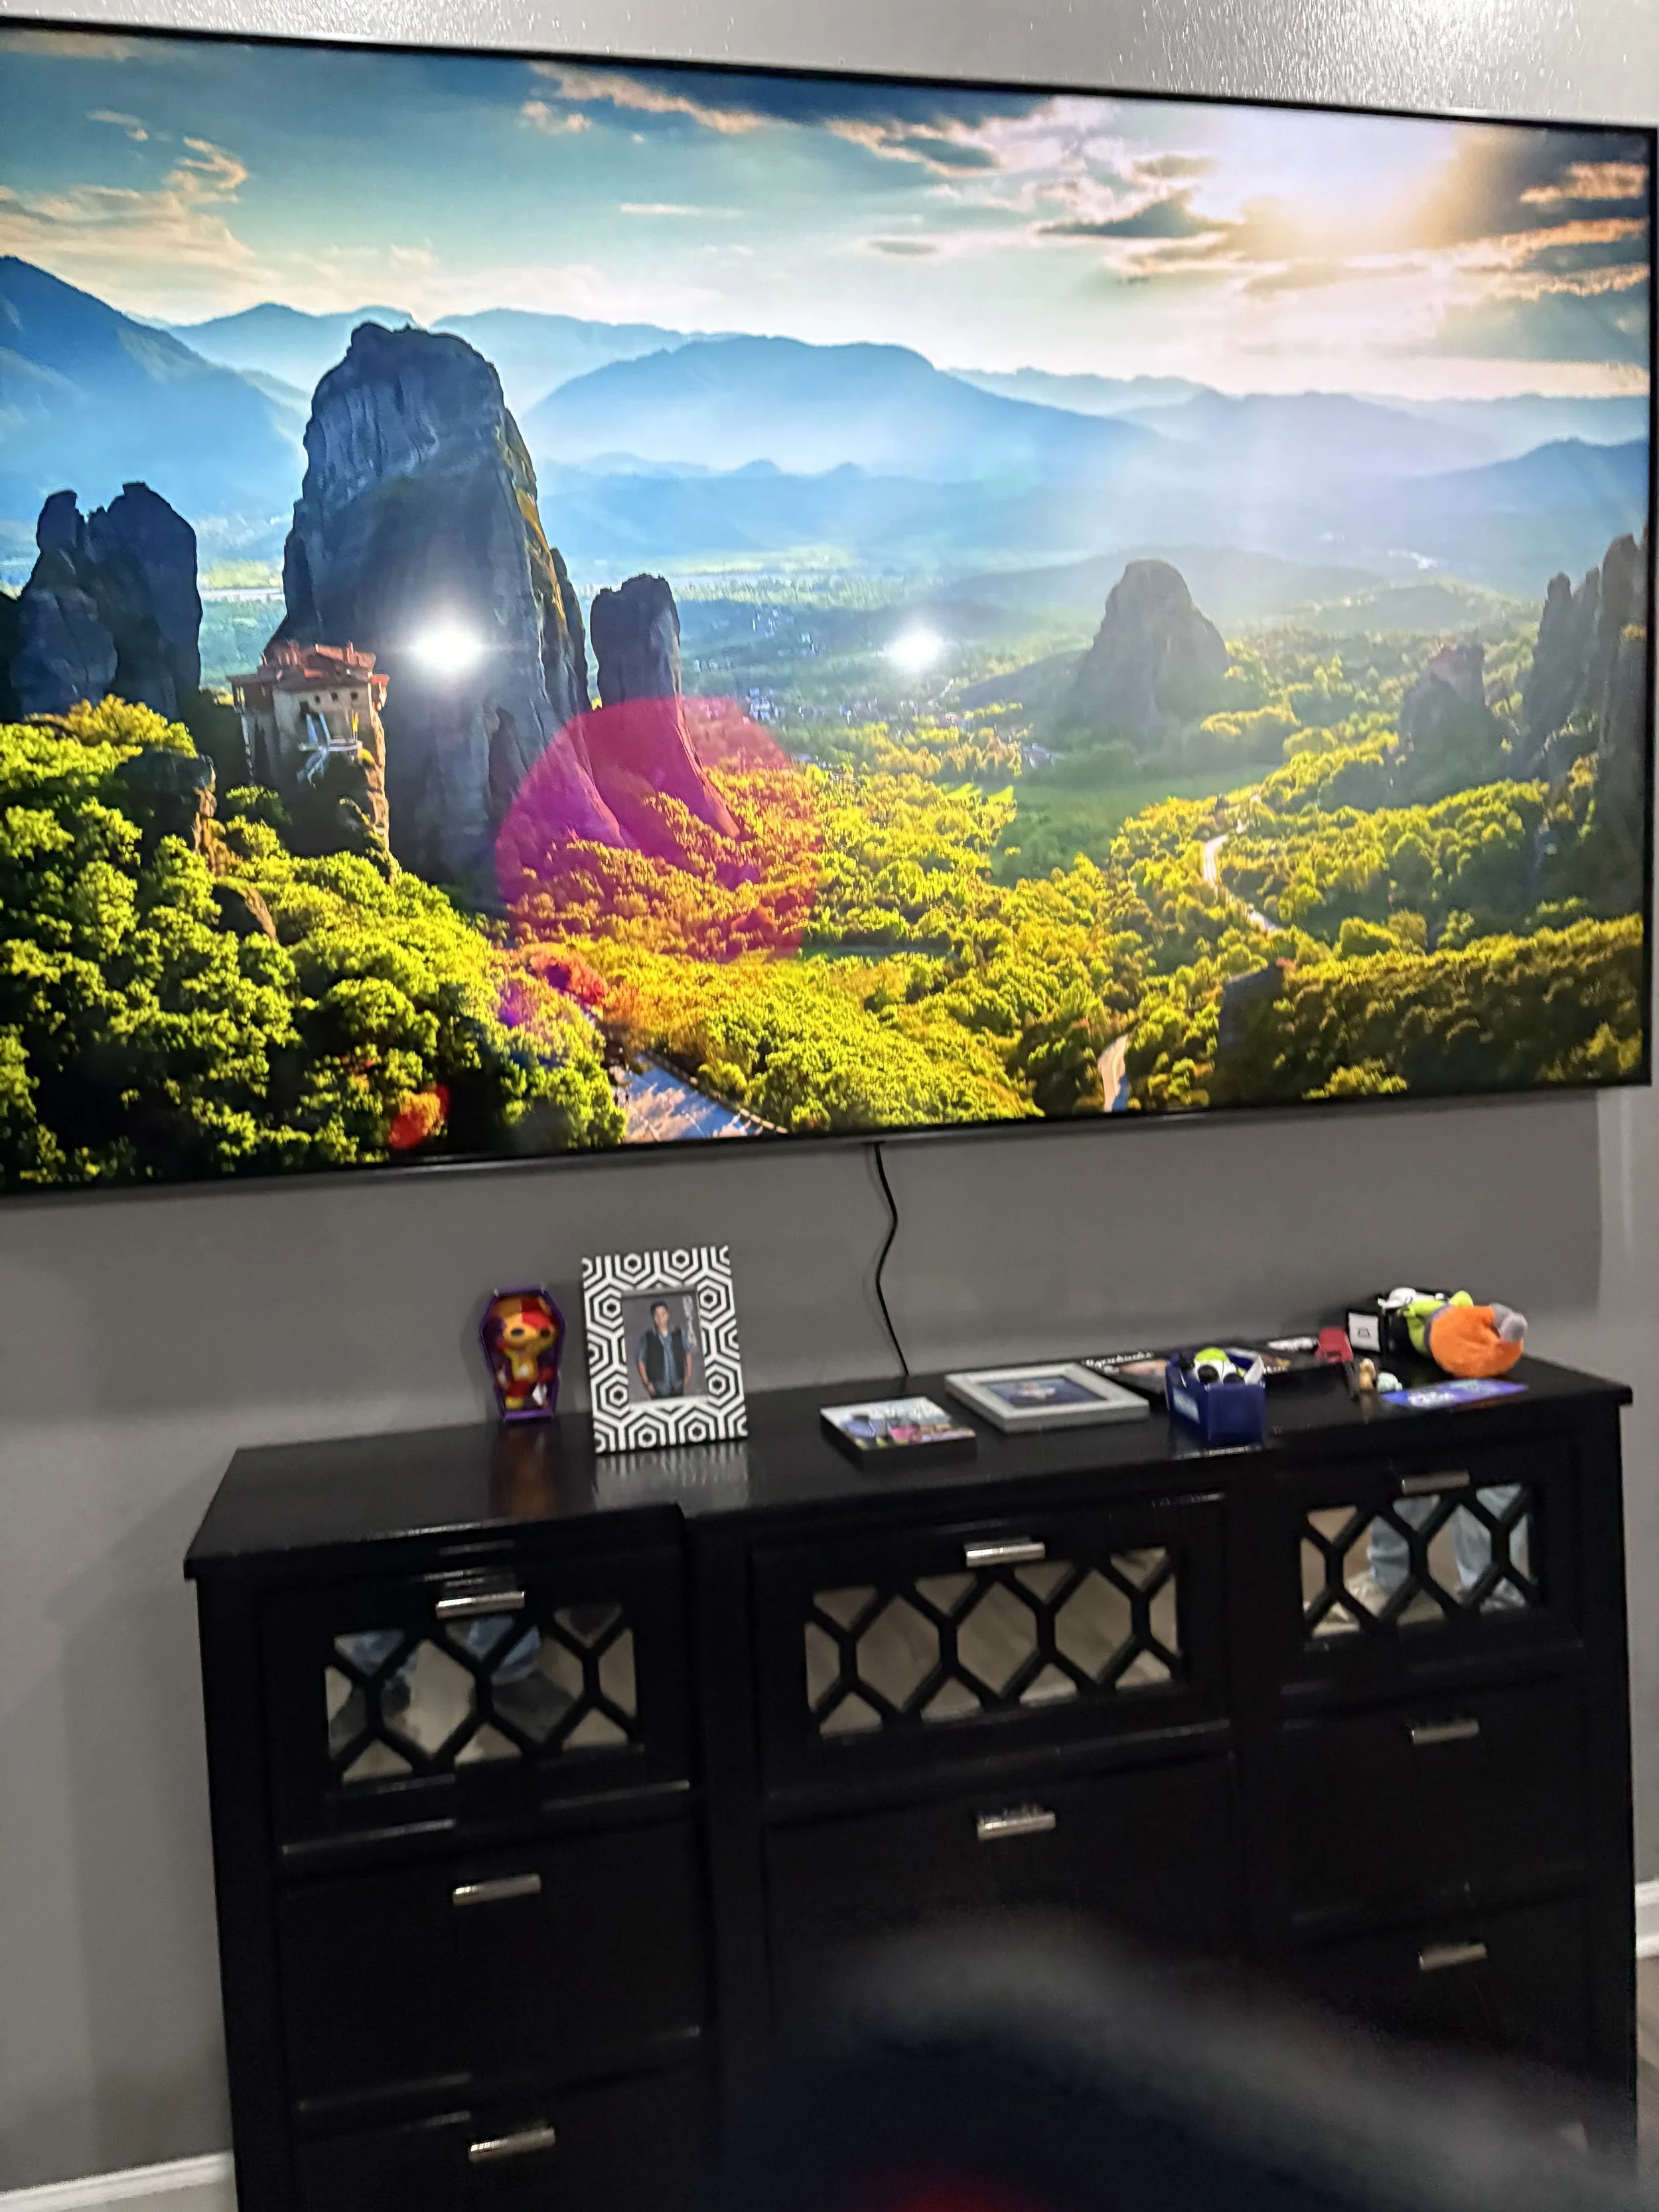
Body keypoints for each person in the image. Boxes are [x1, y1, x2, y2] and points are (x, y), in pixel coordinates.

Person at [637, 1299, 695, 1398]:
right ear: (653, 1317)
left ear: (668, 1315)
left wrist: (688, 1375)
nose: (660, 1318)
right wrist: (647, 1383)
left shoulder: (679, 1333)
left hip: (678, 1385)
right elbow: (640, 1360)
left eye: (663, 1314)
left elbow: (687, 1353)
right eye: (657, 1315)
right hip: (658, 1387)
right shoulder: (648, 1337)